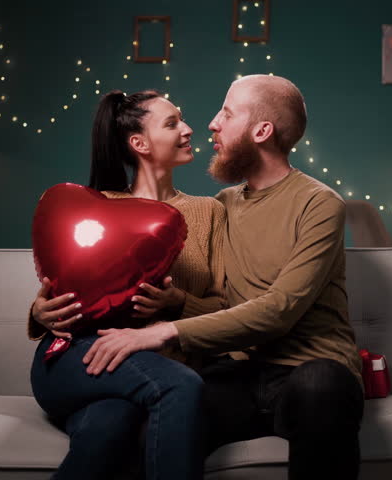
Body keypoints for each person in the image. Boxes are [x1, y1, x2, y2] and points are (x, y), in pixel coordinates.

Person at [83, 75, 365, 479]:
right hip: (240, 375)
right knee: (156, 425)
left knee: (321, 387)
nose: (212, 123)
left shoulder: (319, 204)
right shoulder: (222, 206)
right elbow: (219, 295)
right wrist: (176, 300)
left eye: (227, 114)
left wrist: (162, 331)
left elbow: (278, 311)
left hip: (310, 369)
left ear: (261, 131)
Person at [28, 89, 227, 480]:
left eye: (182, 119)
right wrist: (39, 312)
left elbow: (225, 307)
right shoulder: (95, 204)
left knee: (108, 427)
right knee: (180, 386)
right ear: (139, 143)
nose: (188, 129)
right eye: (172, 123)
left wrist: (176, 302)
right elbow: (58, 288)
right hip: (76, 355)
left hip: (143, 366)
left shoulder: (210, 211)